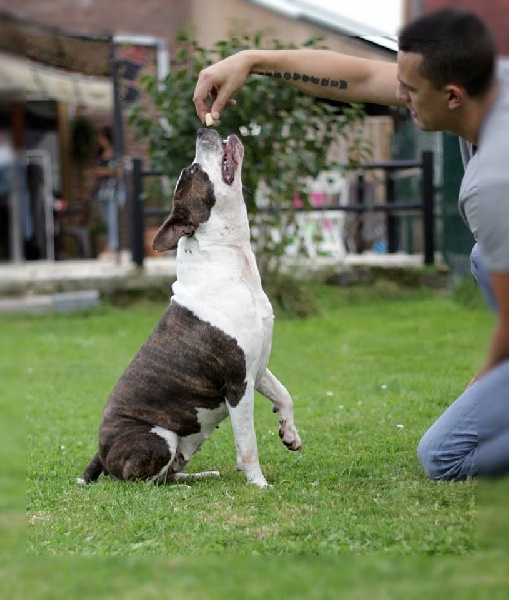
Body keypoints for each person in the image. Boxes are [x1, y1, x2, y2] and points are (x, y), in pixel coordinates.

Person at [193, 8, 509, 480]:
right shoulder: (490, 79)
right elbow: (360, 76)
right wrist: (252, 61)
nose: (399, 96)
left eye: (409, 90)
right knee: (485, 259)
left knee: (444, 457)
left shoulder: (492, 184)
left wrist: (484, 379)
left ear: (452, 96)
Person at [93, 125, 120, 258]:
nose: (99, 140)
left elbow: (120, 170)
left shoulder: (116, 153)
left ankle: (112, 245)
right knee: (105, 219)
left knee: (112, 218)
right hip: (102, 192)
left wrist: (104, 171)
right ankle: (110, 245)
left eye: (101, 137)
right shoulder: (100, 154)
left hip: (113, 191)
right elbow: (95, 171)